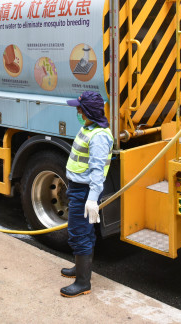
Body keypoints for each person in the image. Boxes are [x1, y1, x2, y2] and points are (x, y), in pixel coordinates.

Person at [60, 91, 114, 298]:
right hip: (77, 188)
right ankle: (79, 268)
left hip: (84, 192)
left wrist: (92, 199)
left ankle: (83, 282)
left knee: (78, 232)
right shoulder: (89, 127)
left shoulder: (99, 136)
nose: (77, 111)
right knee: (83, 232)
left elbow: (97, 172)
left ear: (90, 110)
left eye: (80, 108)